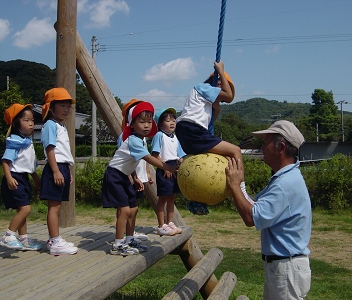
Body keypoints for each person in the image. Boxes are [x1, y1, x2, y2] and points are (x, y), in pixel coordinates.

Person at [225, 120, 312, 300]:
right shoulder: (284, 178)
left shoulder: (285, 185)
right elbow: (254, 204)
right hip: (282, 266)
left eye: (265, 143)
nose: (262, 148)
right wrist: (238, 185)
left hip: (287, 268)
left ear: (280, 147)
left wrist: (235, 186)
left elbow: (251, 217)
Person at [102, 101, 178, 256]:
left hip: (123, 176)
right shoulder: (133, 140)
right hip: (114, 176)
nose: (146, 126)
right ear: (132, 124)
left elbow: (131, 162)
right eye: (141, 122)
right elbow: (149, 158)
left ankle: (129, 239)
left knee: (134, 208)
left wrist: (135, 177)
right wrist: (167, 167)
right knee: (124, 210)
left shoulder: (139, 141)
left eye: (149, 122)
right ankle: (117, 244)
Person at [175, 60, 250, 214]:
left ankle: (198, 201)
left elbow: (209, 128)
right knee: (235, 151)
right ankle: (243, 191)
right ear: (217, 83)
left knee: (222, 155)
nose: (220, 98)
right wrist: (221, 70)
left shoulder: (203, 99)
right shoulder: (203, 88)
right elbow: (229, 96)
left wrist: (216, 111)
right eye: (221, 87)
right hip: (192, 130)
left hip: (188, 132)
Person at [40, 87, 78, 256]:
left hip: (62, 167)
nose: (66, 109)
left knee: (58, 207)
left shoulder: (60, 125)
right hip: (54, 167)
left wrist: (66, 170)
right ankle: (55, 241)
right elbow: (50, 149)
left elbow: (63, 152)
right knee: (54, 208)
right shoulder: (50, 125)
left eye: (68, 106)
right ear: (51, 107)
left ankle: (54, 238)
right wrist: (55, 170)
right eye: (61, 105)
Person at [0, 103, 42, 251]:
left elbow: (28, 164)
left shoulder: (26, 141)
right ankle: (9, 235)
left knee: (21, 209)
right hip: (15, 178)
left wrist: (35, 178)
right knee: (25, 209)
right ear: (16, 123)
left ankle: (23, 239)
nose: (31, 123)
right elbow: (5, 161)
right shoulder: (15, 142)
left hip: (23, 178)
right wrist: (9, 178)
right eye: (26, 120)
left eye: (32, 120)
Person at [117, 99, 153, 242]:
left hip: (138, 177)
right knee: (125, 207)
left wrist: (147, 172)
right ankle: (126, 233)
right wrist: (130, 175)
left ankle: (130, 231)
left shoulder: (142, 137)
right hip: (129, 176)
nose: (145, 124)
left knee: (134, 206)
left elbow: (145, 157)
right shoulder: (125, 136)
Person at [151, 107, 185, 236]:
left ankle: (170, 222)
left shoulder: (175, 137)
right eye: (167, 120)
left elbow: (180, 155)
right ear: (160, 124)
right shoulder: (159, 135)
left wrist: (182, 163)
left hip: (174, 167)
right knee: (163, 198)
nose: (172, 122)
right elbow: (154, 154)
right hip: (164, 167)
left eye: (173, 120)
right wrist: (165, 167)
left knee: (172, 198)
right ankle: (161, 225)